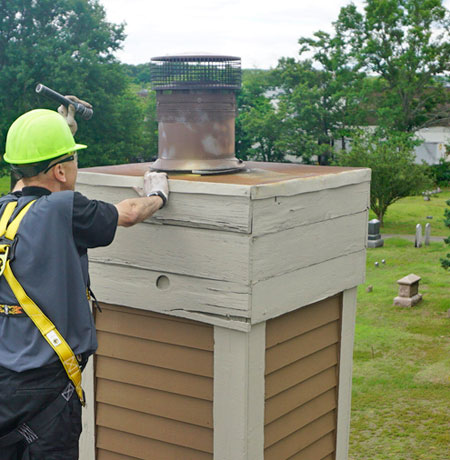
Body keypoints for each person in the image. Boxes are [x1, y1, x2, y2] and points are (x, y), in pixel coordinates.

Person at [0, 97, 169, 460]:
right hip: (47, 386)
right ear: (60, 171)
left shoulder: (3, 211)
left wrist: (62, 135)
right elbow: (127, 213)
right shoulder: (65, 210)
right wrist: (157, 195)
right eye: (72, 160)